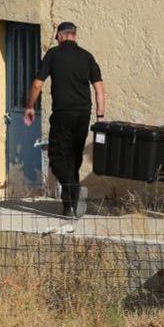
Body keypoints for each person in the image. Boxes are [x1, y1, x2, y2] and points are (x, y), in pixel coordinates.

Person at [24, 22, 106, 219]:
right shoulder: (87, 57)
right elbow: (99, 87)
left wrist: (30, 106)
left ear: (60, 36)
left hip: (62, 114)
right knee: (73, 159)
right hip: (83, 115)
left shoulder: (53, 55)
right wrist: (100, 115)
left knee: (56, 157)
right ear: (74, 36)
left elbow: (37, 84)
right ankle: (69, 206)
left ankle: (73, 191)